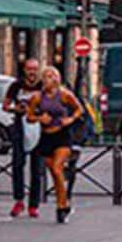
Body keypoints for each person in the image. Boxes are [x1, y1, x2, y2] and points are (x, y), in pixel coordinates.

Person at [28, 66, 87, 224]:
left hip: (62, 136)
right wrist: (40, 119)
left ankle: (61, 206)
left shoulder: (65, 95)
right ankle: (65, 203)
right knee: (55, 174)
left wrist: (70, 119)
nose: (46, 79)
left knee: (56, 167)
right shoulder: (37, 97)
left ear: (56, 79)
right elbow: (29, 116)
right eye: (45, 76)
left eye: (50, 76)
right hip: (46, 137)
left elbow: (79, 110)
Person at [5, 58, 46, 217]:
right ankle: (19, 200)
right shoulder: (16, 86)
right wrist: (17, 108)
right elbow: (5, 105)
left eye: (35, 69)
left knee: (37, 168)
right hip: (19, 127)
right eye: (29, 69)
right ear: (24, 70)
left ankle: (34, 205)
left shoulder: (43, 86)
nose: (32, 72)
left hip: (38, 127)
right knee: (17, 165)